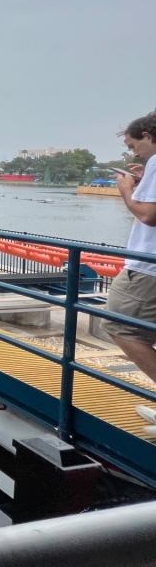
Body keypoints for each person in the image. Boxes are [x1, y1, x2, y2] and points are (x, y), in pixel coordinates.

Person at [101, 111, 156, 437]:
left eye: (133, 144)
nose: (133, 151)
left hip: (147, 268)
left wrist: (125, 189)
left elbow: (149, 216)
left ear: (149, 135)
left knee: (121, 326)